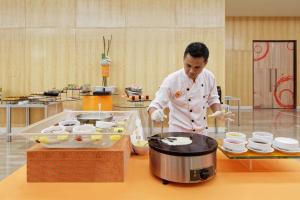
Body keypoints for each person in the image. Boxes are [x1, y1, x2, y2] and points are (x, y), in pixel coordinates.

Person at [148, 42, 232, 135]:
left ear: (205, 63)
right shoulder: (172, 80)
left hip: (201, 132)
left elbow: (213, 99)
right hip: (178, 132)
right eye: (188, 65)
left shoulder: (209, 77)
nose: (191, 71)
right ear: (183, 60)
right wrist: (154, 113)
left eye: (197, 67)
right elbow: (155, 104)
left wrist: (218, 111)